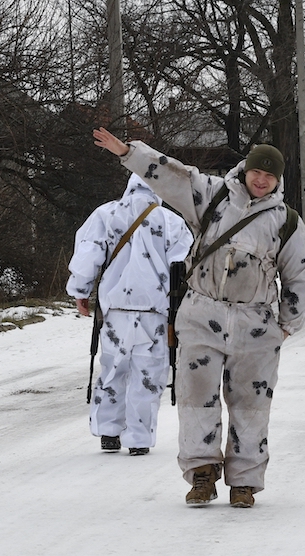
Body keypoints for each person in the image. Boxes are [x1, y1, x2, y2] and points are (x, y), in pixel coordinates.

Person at [92, 126, 305, 508]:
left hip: (255, 325)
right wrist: (129, 153)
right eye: (256, 172)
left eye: (269, 176)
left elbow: (301, 275)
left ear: (278, 181)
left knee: (250, 404)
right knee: (196, 400)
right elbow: (173, 175)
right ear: (245, 170)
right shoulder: (212, 196)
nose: (261, 180)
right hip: (201, 315)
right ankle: (201, 476)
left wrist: (287, 322)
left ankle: (244, 481)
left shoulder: (286, 222)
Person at [67, 173, 193, 456]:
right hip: (155, 313)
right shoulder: (171, 221)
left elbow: (89, 254)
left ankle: (109, 432)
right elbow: (183, 269)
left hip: (115, 311)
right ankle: (138, 438)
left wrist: (80, 290)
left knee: (112, 370)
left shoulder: (105, 214)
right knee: (148, 374)